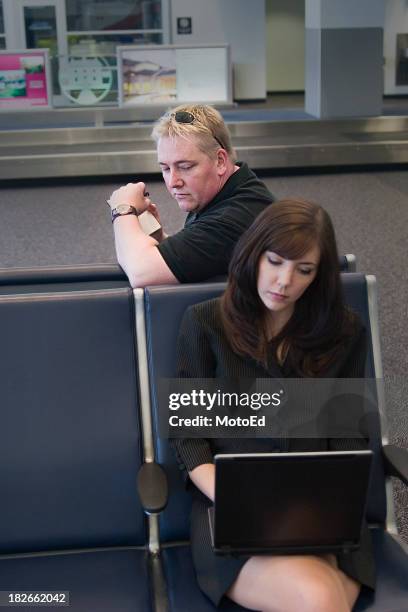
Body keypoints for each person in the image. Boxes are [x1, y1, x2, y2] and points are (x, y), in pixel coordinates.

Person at [172, 199, 375, 612]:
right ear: (253, 255)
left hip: (318, 510)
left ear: (319, 277)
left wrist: (322, 504)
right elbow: (188, 437)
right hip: (230, 510)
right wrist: (236, 498)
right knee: (323, 598)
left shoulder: (345, 331)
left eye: (304, 270)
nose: (284, 281)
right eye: (275, 261)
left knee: (324, 597)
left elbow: (348, 435)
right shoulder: (204, 323)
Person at [107, 104, 274, 288]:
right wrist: (161, 239)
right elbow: (209, 255)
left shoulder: (232, 218)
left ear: (220, 161)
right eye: (165, 168)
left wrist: (122, 210)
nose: (173, 182)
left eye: (185, 167)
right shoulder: (231, 188)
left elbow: (141, 273)